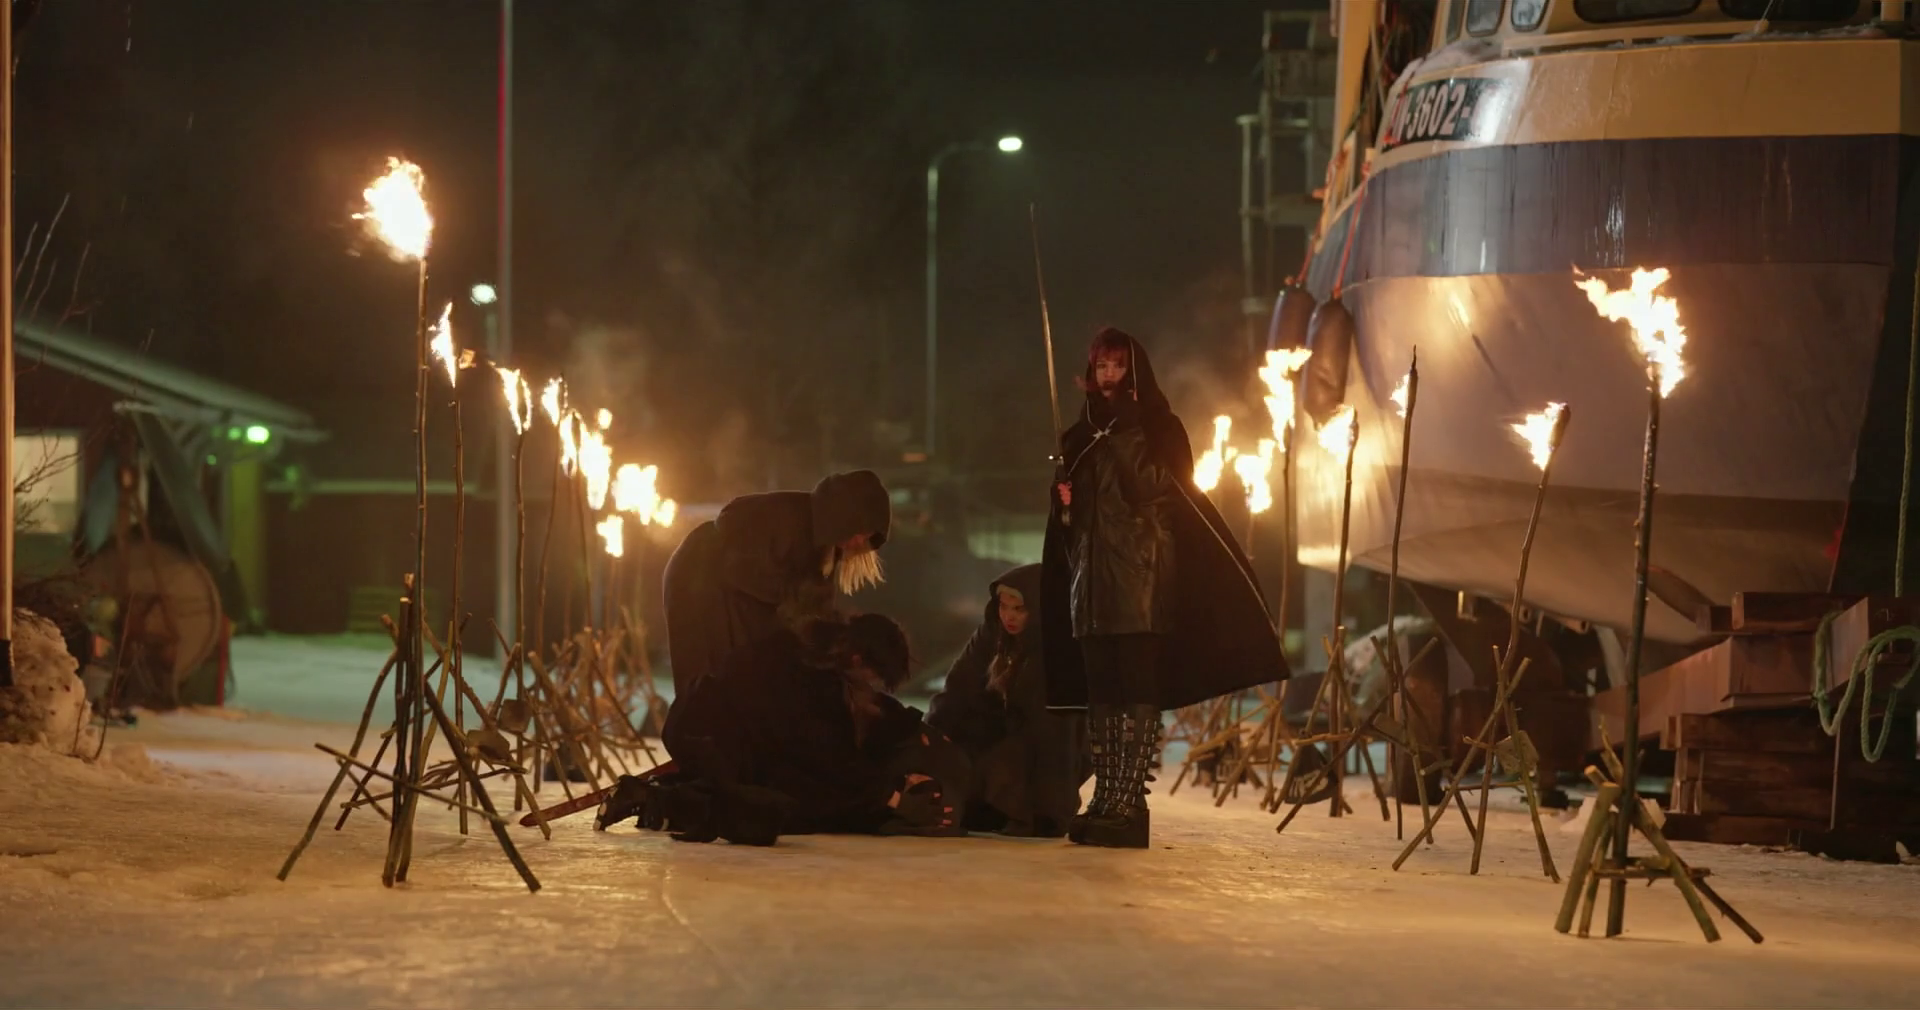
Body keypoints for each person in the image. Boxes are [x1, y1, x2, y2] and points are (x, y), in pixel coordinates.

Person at [1043, 327, 1287, 848]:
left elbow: (1156, 489)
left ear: (1135, 371)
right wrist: (1063, 502)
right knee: (1101, 694)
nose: (1109, 375)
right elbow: (1072, 526)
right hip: (1090, 586)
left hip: (1140, 578)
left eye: (1117, 365)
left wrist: (1125, 431)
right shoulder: (1079, 436)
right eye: (1101, 366)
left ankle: (1130, 804)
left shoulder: (1159, 428)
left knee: (1136, 690)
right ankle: (1106, 796)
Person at [597, 613, 969, 844]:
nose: (873, 692)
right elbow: (827, 756)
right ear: (858, 661)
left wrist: (909, 729)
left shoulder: (821, 661)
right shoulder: (813, 680)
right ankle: (652, 800)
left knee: (793, 798)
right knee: (773, 810)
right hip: (711, 734)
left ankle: (657, 801)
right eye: (875, 681)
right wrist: (893, 798)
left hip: (715, 731)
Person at [662, 469, 891, 699]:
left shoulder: (824, 549)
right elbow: (741, 569)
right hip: (699, 581)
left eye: (867, 536)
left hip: (726, 591)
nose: (859, 541)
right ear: (844, 516)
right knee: (708, 681)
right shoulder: (786, 518)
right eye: (860, 531)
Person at [928, 564, 1089, 837]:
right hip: (1002, 729)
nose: (1009, 616)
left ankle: (1034, 811)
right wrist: (933, 738)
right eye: (1004, 606)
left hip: (1046, 743)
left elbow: (1057, 735)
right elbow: (958, 688)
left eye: (1019, 609)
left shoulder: (1057, 648)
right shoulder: (992, 634)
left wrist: (1050, 813)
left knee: (1006, 764)